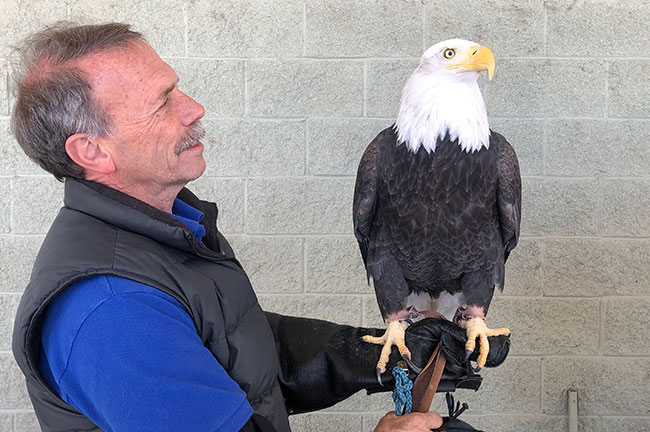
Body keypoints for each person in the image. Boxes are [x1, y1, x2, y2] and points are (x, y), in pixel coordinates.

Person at [10, 22, 504, 432]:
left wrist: (374, 357)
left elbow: (236, 353)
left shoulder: (166, 229)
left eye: (176, 86)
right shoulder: (112, 309)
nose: (193, 108)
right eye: (162, 102)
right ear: (91, 151)